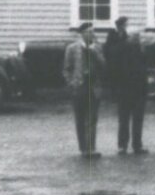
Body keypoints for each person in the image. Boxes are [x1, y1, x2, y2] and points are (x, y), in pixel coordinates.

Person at [105, 17, 149, 156]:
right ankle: (124, 145)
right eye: (136, 36)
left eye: (138, 36)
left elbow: (145, 69)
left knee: (136, 119)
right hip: (125, 89)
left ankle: (135, 145)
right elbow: (114, 70)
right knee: (124, 119)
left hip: (138, 89)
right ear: (129, 36)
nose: (138, 38)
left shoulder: (140, 49)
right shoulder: (120, 49)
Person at [62, 22, 104, 157]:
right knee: (80, 118)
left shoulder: (97, 47)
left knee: (92, 118)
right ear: (83, 33)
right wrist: (71, 83)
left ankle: (91, 148)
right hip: (79, 86)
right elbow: (67, 68)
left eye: (93, 31)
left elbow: (104, 65)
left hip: (93, 86)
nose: (92, 34)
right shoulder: (72, 48)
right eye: (89, 31)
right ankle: (83, 148)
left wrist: (94, 52)